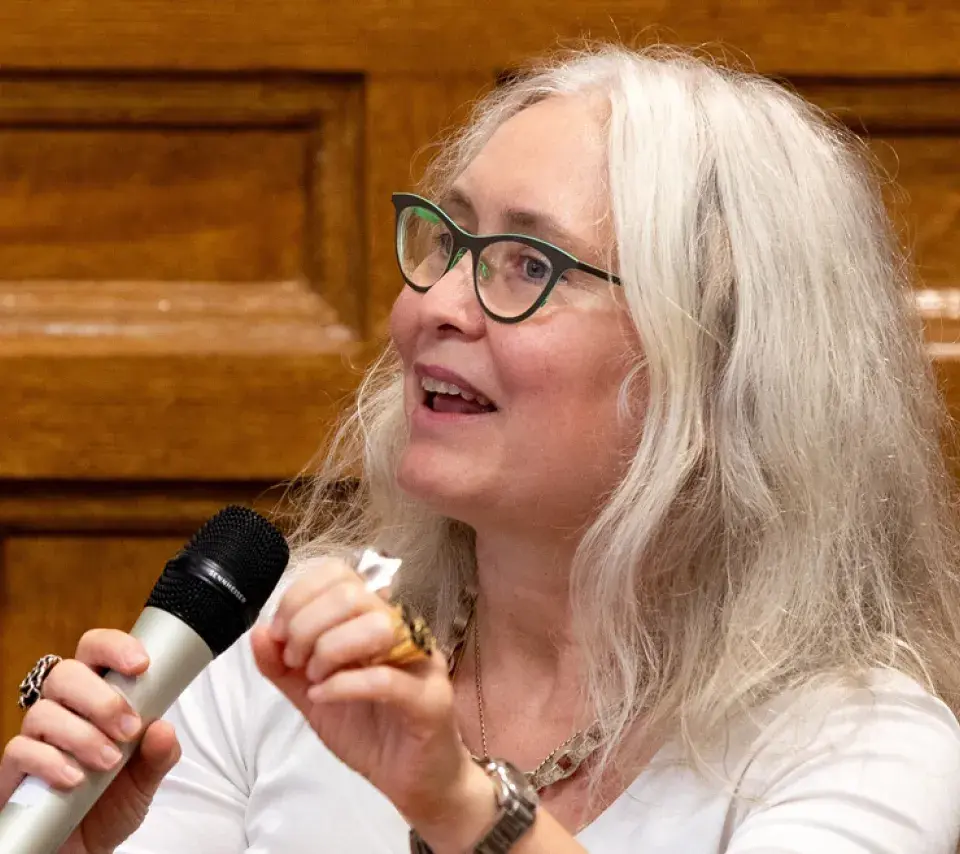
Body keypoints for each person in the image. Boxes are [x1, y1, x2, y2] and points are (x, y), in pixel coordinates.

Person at [3, 43, 960, 854]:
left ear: (718, 369)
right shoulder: (284, 641)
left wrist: (464, 808)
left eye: (529, 265)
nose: (434, 308)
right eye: (448, 240)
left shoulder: (863, 747)